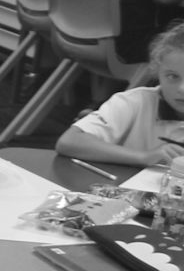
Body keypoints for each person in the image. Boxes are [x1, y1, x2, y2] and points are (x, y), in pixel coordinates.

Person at [53, 22, 184, 167]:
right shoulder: (135, 102)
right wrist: (144, 157)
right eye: (172, 76)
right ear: (157, 72)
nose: (182, 89)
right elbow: (70, 141)